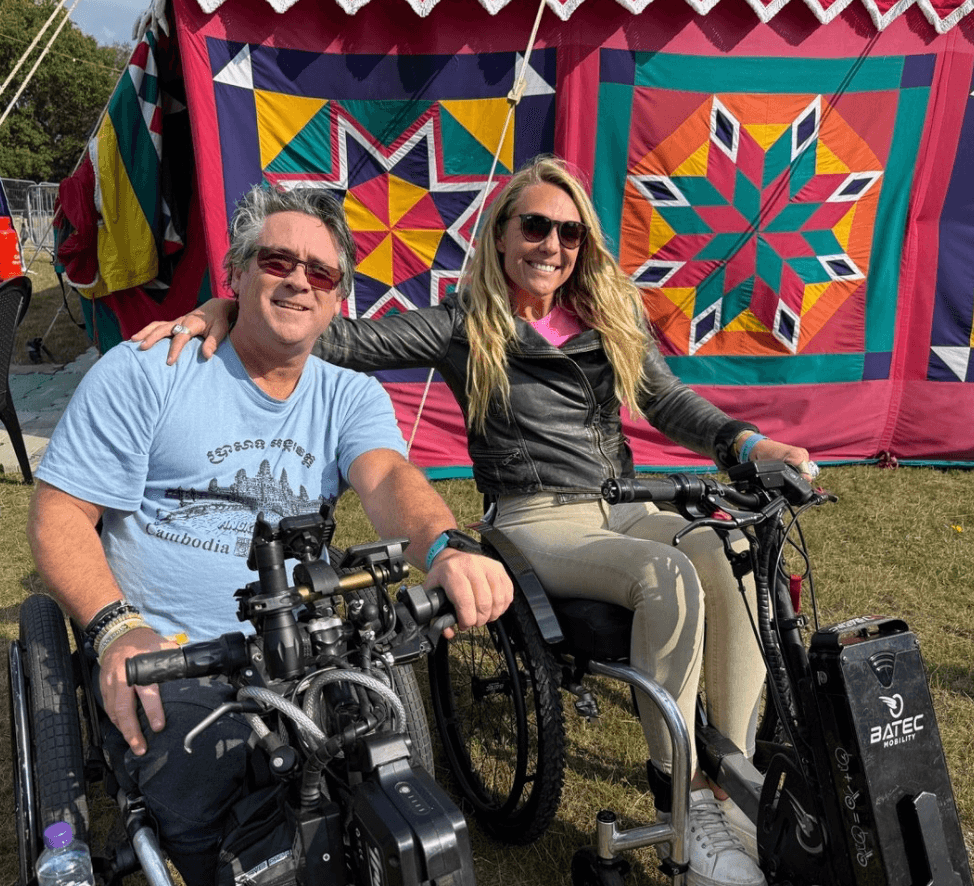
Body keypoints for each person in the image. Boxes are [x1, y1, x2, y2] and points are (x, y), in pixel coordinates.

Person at [135, 156, 815, 886]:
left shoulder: (609, 316)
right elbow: (339, 338)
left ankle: (730, 779)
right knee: (668, 573)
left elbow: (670, 401)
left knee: (734, 547)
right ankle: (680, 798)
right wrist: (227, 308)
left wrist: (748, 443)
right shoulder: (464, 324)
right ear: (500, 235)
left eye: (569, 233)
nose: (551, 245)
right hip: (532, 519)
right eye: (535, 226)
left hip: (622, 505)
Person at [27, 184, 512, 886]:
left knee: (396, 806)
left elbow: (386, 480)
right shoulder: (147, 371)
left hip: (302, 653)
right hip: (175, 659)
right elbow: (60, 515)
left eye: (320, 272)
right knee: (212, 821)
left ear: (338, 298)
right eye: (277, 260)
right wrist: (116, 629)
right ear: (237, 272)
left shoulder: (348, 395)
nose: (298, 280)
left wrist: (443, 544)